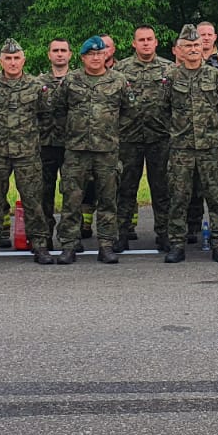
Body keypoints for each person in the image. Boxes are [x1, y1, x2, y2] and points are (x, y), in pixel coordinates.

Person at [49, 36, 133, 264]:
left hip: (107, 150)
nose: (96, 58)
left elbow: (129, 111)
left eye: (99, 54)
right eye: (91, 54)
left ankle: (106, 245)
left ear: (106, 55)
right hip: (77, 150)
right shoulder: (71, 80)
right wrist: (72, 130)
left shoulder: (118, 80)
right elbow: (58, 109)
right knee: (72, 199)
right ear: (82, 57)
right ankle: (69, 245)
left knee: (108, 199)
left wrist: (111, 131)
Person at [0, 39, 53, 265]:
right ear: (0, 61)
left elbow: (47, 117)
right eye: (8, 58)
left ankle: (39, 245)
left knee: (33, 200)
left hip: (27, 153)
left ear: (23, 60)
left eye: (16, 58)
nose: (12, 62)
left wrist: (32, 137)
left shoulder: (36, 86)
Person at [164, 25, 218, 263]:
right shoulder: (171, 77)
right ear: (179, 50)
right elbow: (163, 109)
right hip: (181, 149)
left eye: (196, 45)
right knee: (178, 198)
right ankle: (176, 244)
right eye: (188, 46)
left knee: (216, 198)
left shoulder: (214, 75)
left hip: (209, 149)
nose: (193, 49)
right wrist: (177, 131)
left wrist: (212, 130)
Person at [115, 25, 172, 251]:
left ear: (156, 42)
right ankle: (121, 233)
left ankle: (165, 233)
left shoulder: (169, 69)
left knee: (162, 188)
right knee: (125, 187)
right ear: (134, 43)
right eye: (141, 40)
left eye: (149, 39)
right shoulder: (121, 70)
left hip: (160, 137)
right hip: (129, 138)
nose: (146, 43)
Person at [38, 38, 72, 249]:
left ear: (70, 54)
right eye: (55, 50)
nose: (60, 54)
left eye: (63, 50)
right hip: (45, 144)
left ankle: (70, 237)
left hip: (71, 146)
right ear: (49, 55)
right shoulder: (37, 83)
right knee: (43, 193)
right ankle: (44, 236)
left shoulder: (78, 80)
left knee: (72, 193)